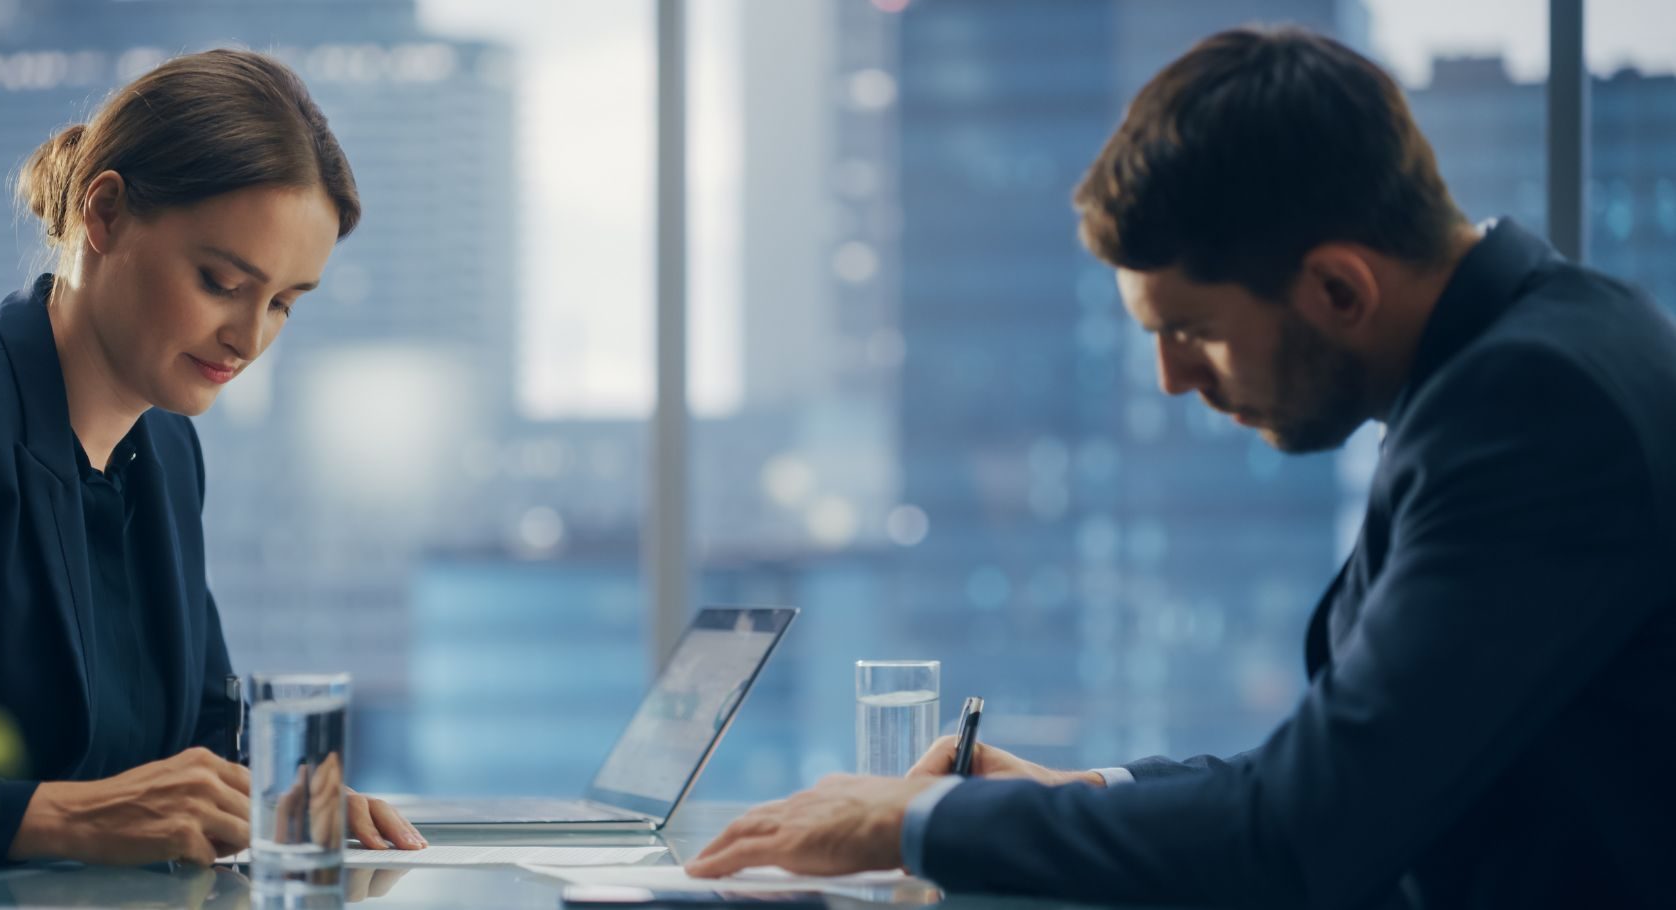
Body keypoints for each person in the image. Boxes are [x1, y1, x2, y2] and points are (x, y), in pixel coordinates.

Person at [686, 26, 1676, 908]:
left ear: (1337, 287)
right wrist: (1078, 794)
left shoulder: (1526, 412)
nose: (1169, 379)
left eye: (1193, 332)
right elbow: (1344, 771)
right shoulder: (1536, 350)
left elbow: (1300, 835)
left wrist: (911, 824)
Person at [0, 48, 425, 866]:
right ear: (103, 215)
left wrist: (282, 800)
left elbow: (200, 737)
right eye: (219, 281)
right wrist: (44, 818)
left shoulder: (168, 451)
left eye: (281, 303)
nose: (250, 338)